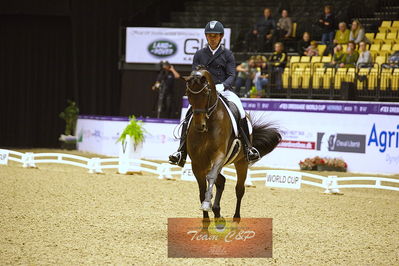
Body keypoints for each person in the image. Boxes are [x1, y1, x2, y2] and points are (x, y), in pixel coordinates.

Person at [169, 21, 261, 167]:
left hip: (224, 90)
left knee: (240, 111)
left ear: (221, 37)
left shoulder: (227, 54)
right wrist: (203, 87)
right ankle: (180, 151)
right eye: (209, 36)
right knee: (187, 114)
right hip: (204, 92)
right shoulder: (199, 54)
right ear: (206, 37)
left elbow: (232, 75)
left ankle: (248, 149)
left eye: (215, 36)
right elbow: (195, 74)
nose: (212, 38)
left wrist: (222, 86)